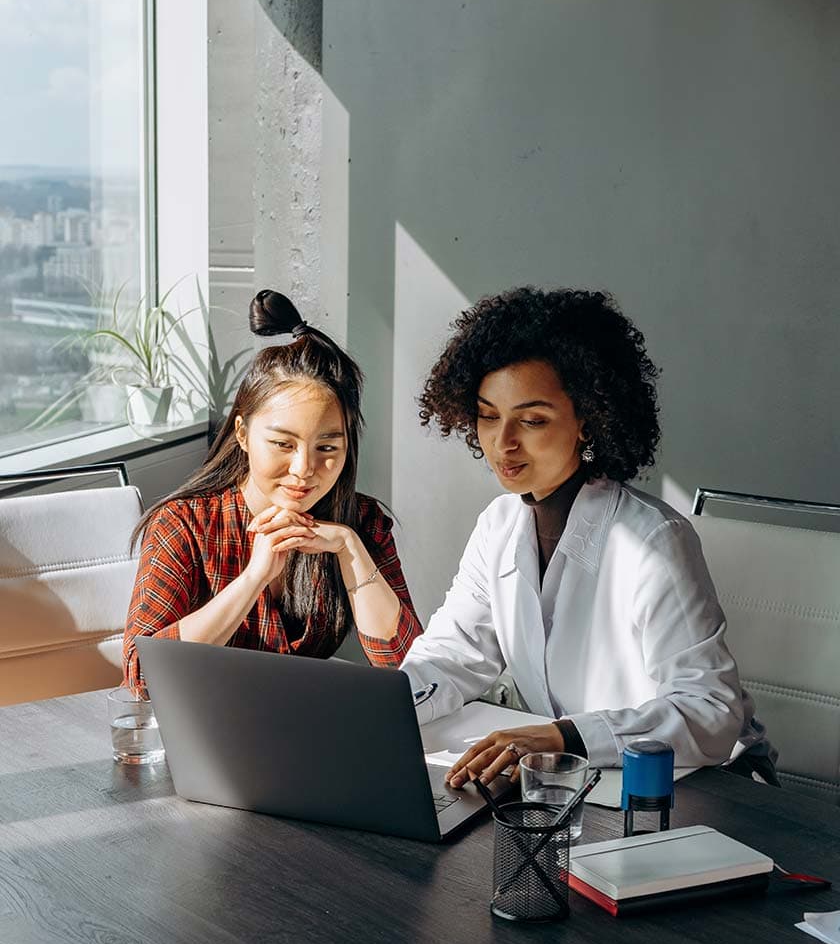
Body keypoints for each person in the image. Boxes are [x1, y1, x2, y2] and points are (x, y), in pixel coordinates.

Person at [400, 287, 774, 788]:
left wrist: (563, 737)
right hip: (576, 781)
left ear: (588, 420)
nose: (502, 441)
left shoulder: (653, 540)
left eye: (532, 420)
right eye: (489, 415)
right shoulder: (498, 525)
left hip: (702, 784)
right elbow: (454, 653)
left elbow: (708, 710)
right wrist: (382, 707)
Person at [124, 290, 420, 692]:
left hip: (299, 729)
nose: (304, 470)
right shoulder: (184, 524)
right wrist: (254, 578)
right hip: (206, 731)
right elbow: (142, 677)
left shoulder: (362, 522)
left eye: (327, 448)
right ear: (243, 434)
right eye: (283, 444)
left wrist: (350, 549)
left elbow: (409, 670)